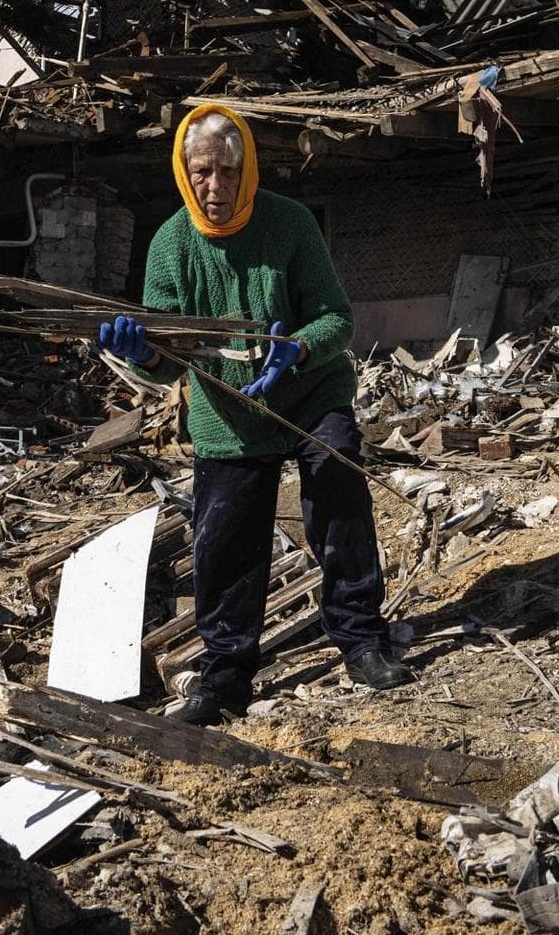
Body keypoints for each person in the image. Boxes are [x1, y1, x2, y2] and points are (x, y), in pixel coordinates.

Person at [98, 102, 411, 725]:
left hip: (308, 394)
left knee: (336, 480)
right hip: (225, 415)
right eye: (202, 172)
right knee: (225, 542)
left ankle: (360, 639)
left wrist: (296, 348)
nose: (215, 187)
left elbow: (335, 319)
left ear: (249, 169)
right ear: (185, 174)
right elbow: (170, 360)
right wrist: (143, 357)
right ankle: (226, 674)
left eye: (227, 172)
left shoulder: (290, 225)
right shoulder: (170, 245)